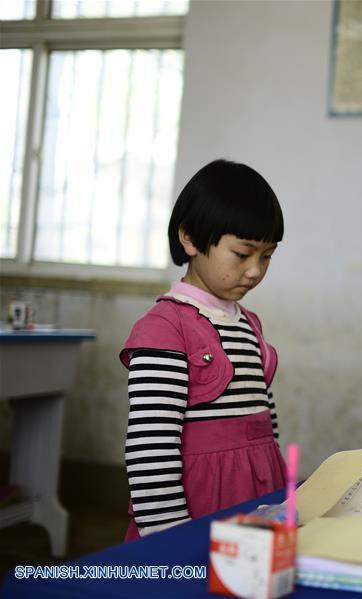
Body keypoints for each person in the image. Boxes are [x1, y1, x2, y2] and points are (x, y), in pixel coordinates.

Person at [120, 159, 286, 540]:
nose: (255, 271)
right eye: (243, 254)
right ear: (190, 239)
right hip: (196, 510)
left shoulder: (249, 324)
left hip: (255, 501)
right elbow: (151, 448)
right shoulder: (165, 329)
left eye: (267, 256)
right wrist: (168, 538)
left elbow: (265, 424)